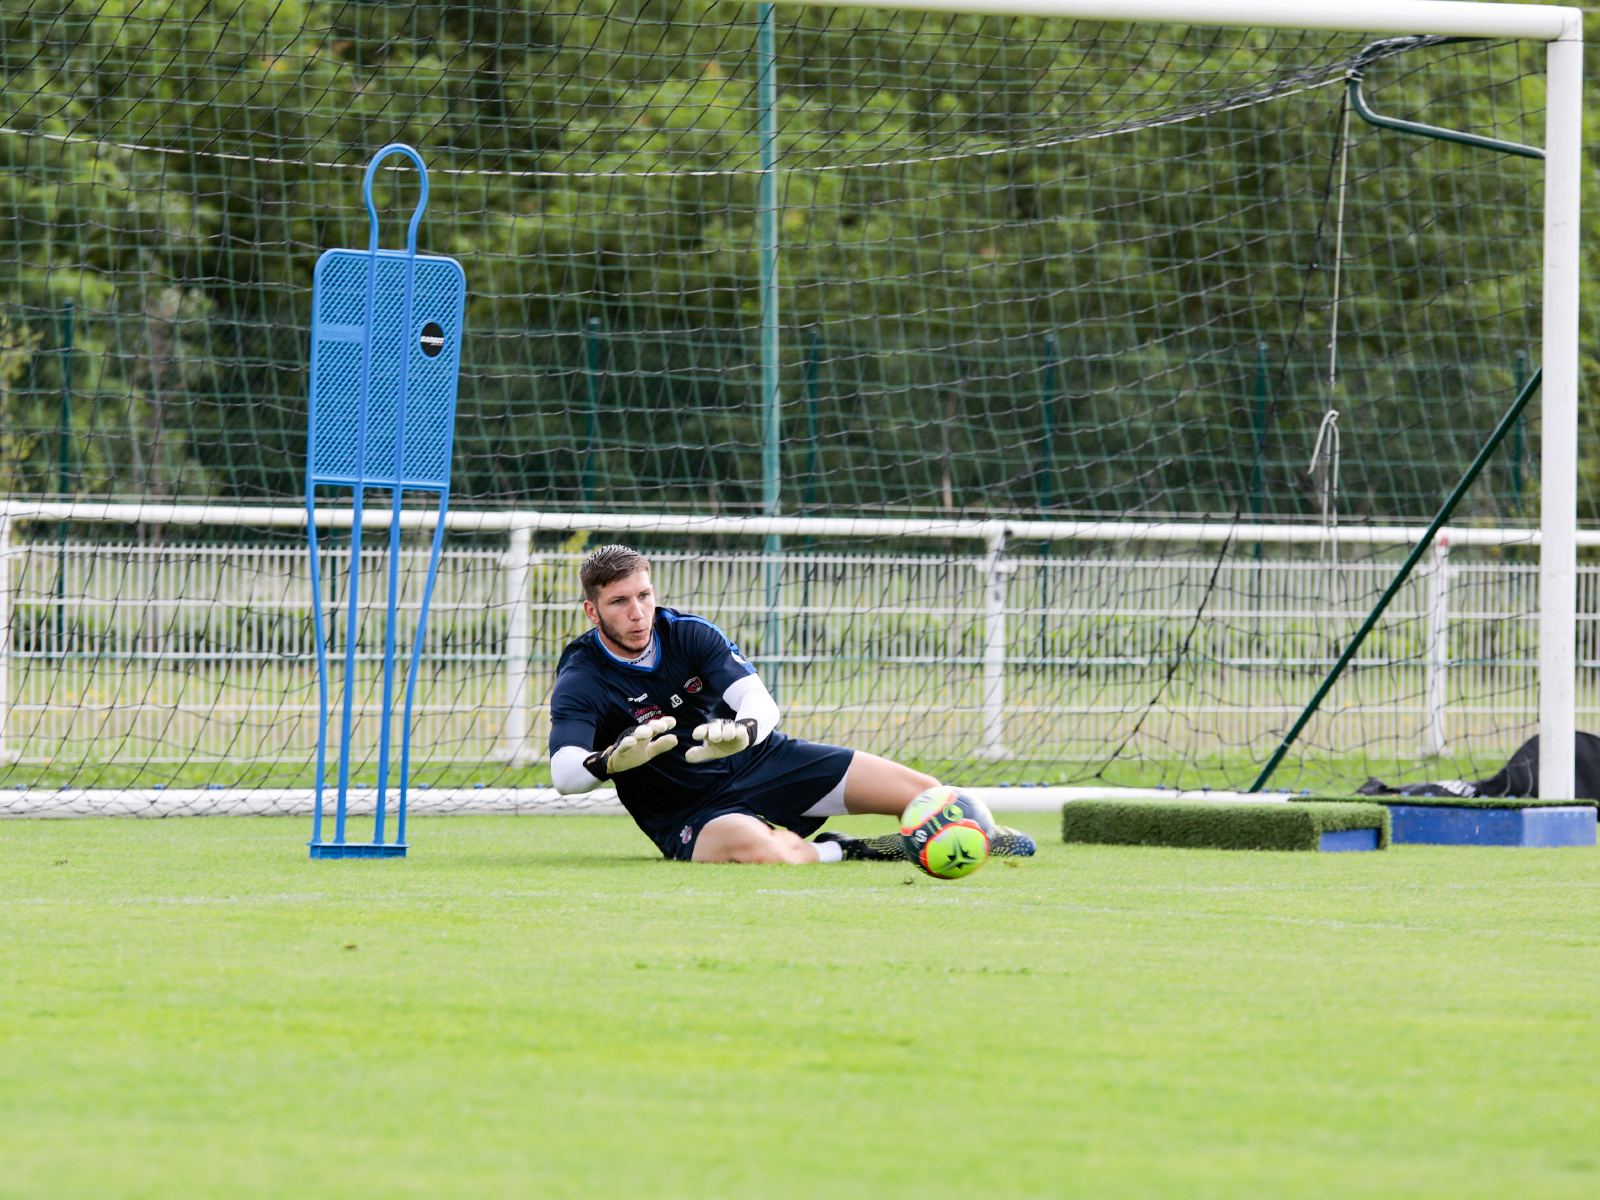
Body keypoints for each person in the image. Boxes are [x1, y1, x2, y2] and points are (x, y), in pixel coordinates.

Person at [548, 544, 1038, 864]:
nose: (638, 614)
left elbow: (758, 701)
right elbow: (564, 773)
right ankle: (843, 852)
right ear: (592, 610)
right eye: (619, 602)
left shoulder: (691, 634)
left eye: (644, 595)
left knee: (926, 793)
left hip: (760, 760)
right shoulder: (582, 674)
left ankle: (981, 832)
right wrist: (607, 761)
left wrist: (745, 731)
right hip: (690, 810)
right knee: (767, 853)